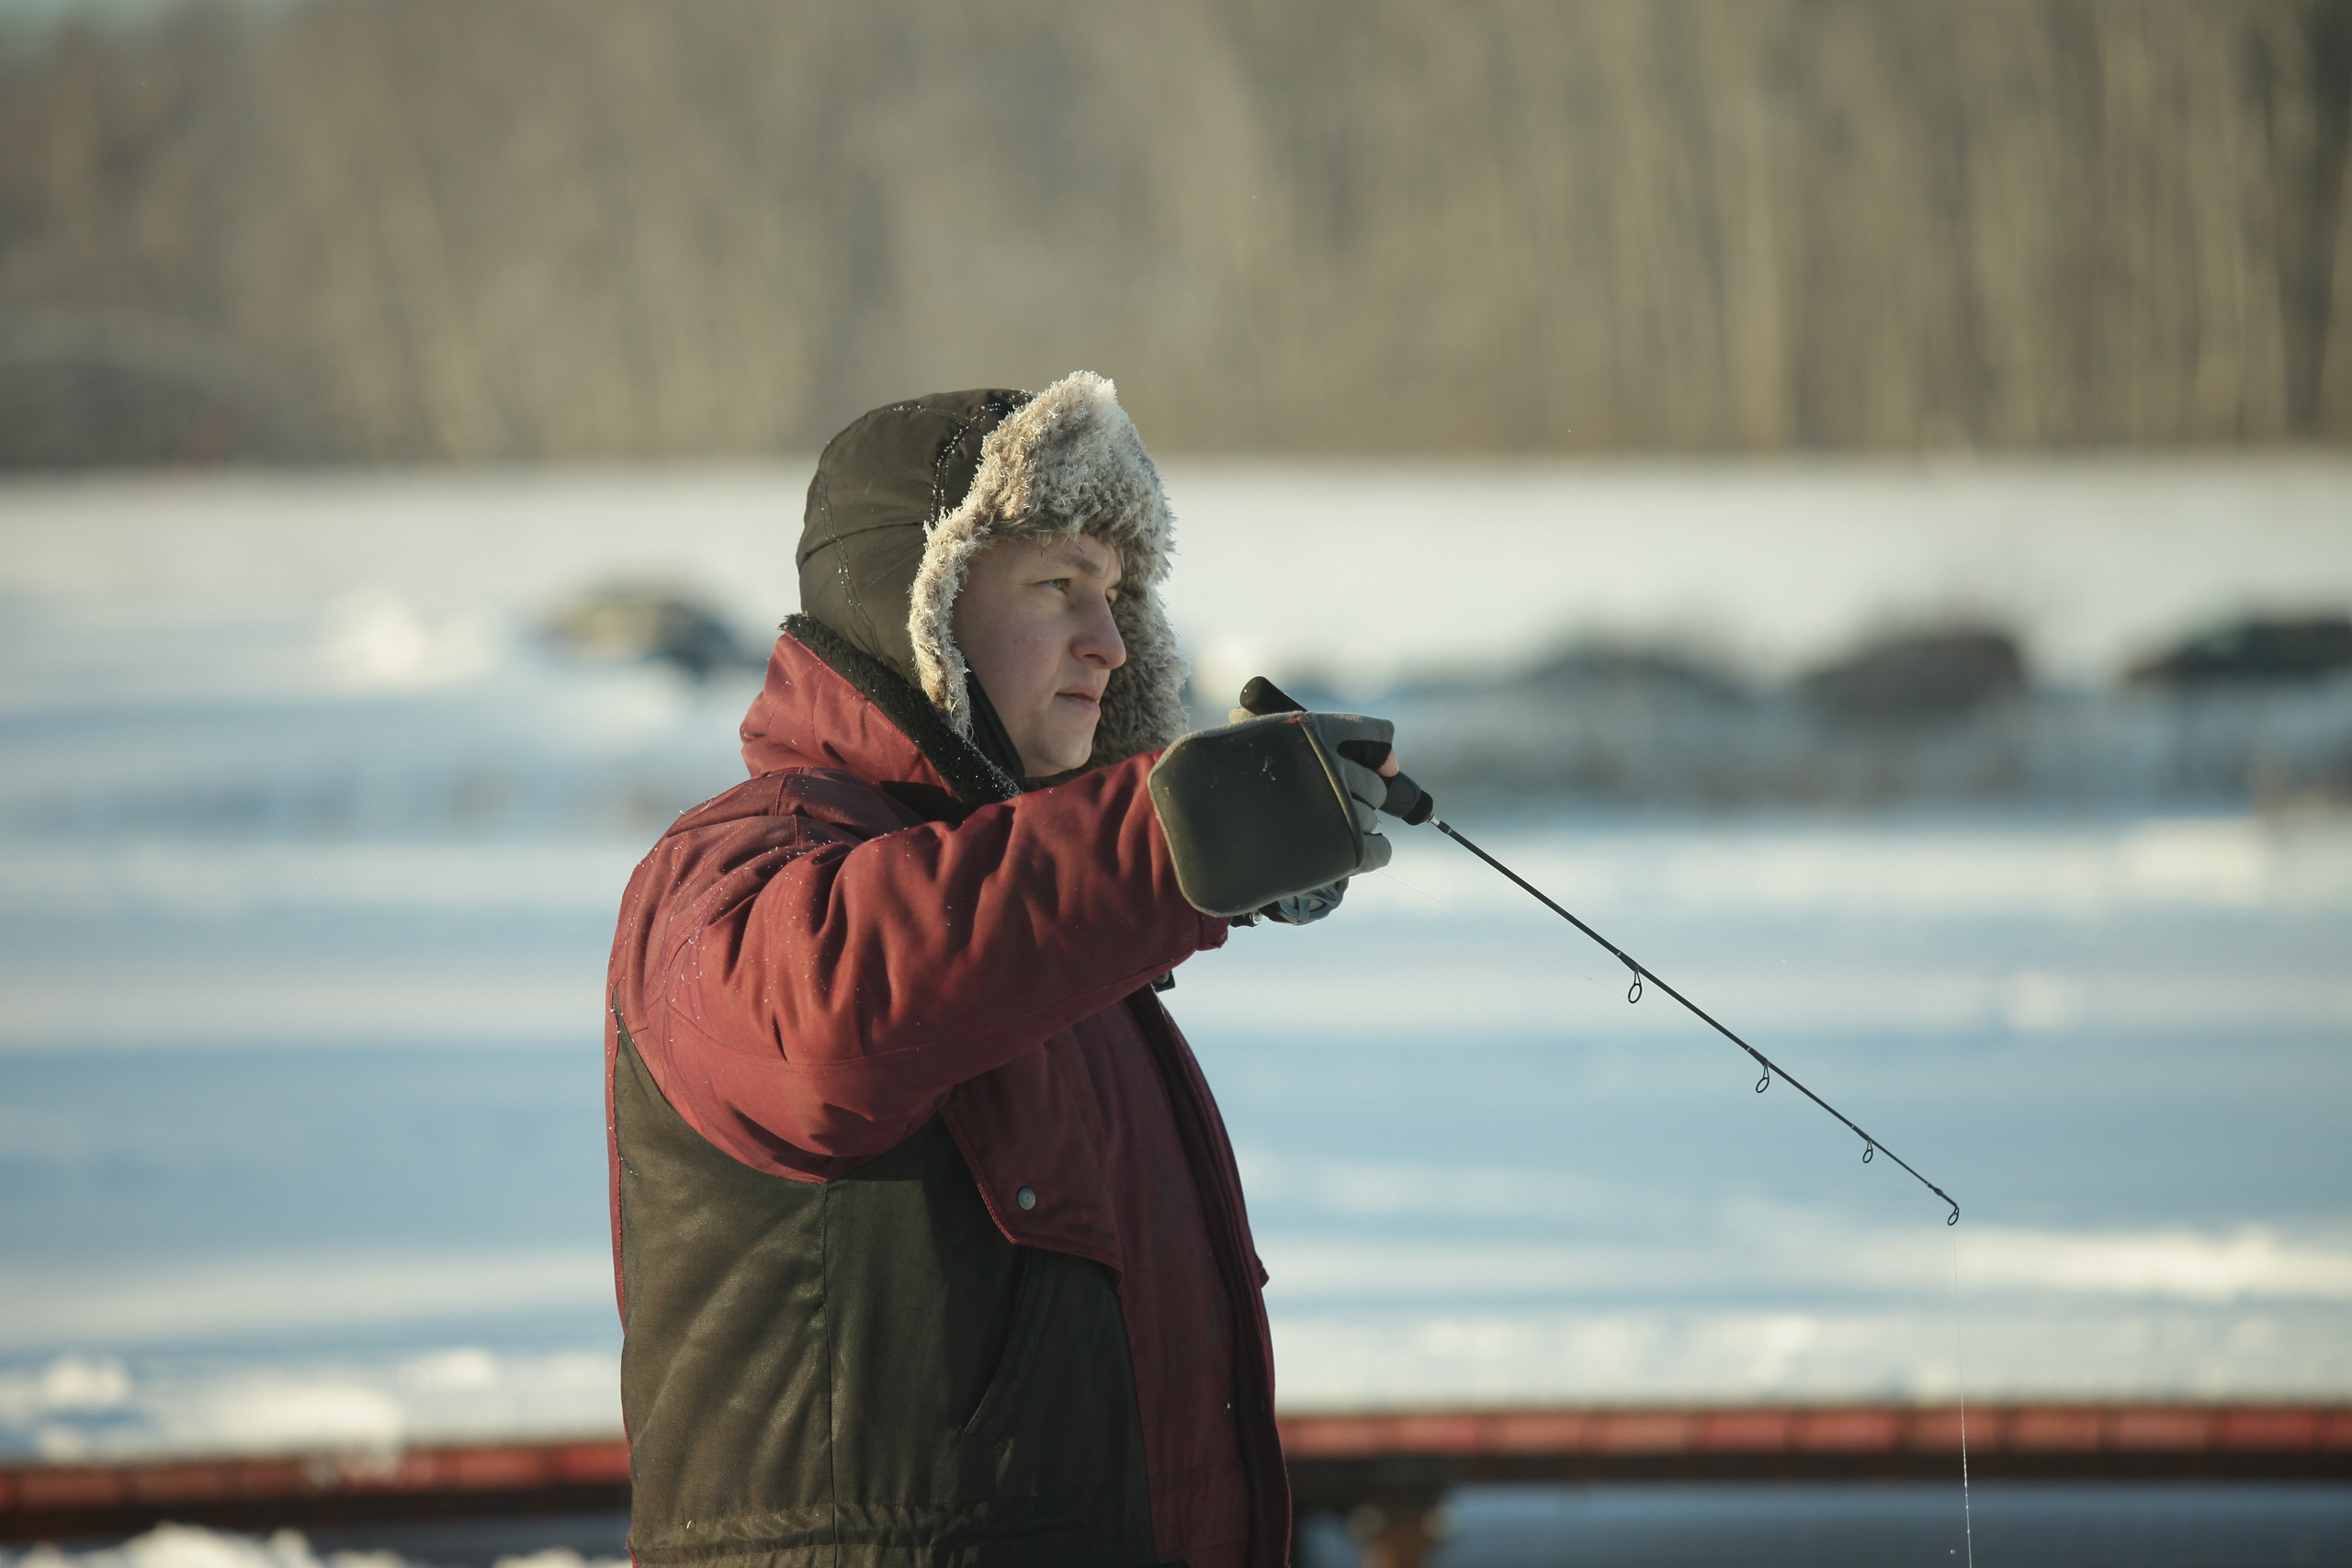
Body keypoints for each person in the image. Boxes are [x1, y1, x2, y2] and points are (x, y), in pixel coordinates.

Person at [603, 374, 1402, 1568]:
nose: (1109, 639)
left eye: (1117, 594)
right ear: (918, 606)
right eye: (1056, 587)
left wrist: (1173, 855)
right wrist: (1171, 838)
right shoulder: (738, 867)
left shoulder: (1076, 955)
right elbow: (819, 1022)